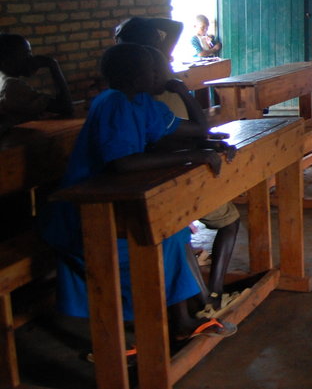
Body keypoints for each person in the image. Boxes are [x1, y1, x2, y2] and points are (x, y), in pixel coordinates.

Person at [38, 43, 237, 340]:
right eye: (155, 70)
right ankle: (171, 321)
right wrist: (193, 156)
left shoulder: (142, 103)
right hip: (84, 213)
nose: (162, 74)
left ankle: (188, 311)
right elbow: (123, 162)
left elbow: (197, 129)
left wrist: (183, 93)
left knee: (175, 230)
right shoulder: (112, 103)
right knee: (164, 236)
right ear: (134, 77)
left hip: (120, 202)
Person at [115, 17, 242, 316]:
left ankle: (202, 301)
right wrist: (200, 143)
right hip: (169, 175)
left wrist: (203, 143)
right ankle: (209, 297)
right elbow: (185, 134)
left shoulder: (130, 84)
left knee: (178, 233)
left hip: (172, 167)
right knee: (189, 230)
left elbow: (187, 132)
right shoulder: (149, 91)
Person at [0, 33, 73, 135]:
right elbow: (66, 107)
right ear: (8, 60)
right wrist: (53, 65)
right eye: (26, 54)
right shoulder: (12, 86)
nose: (31, 58)